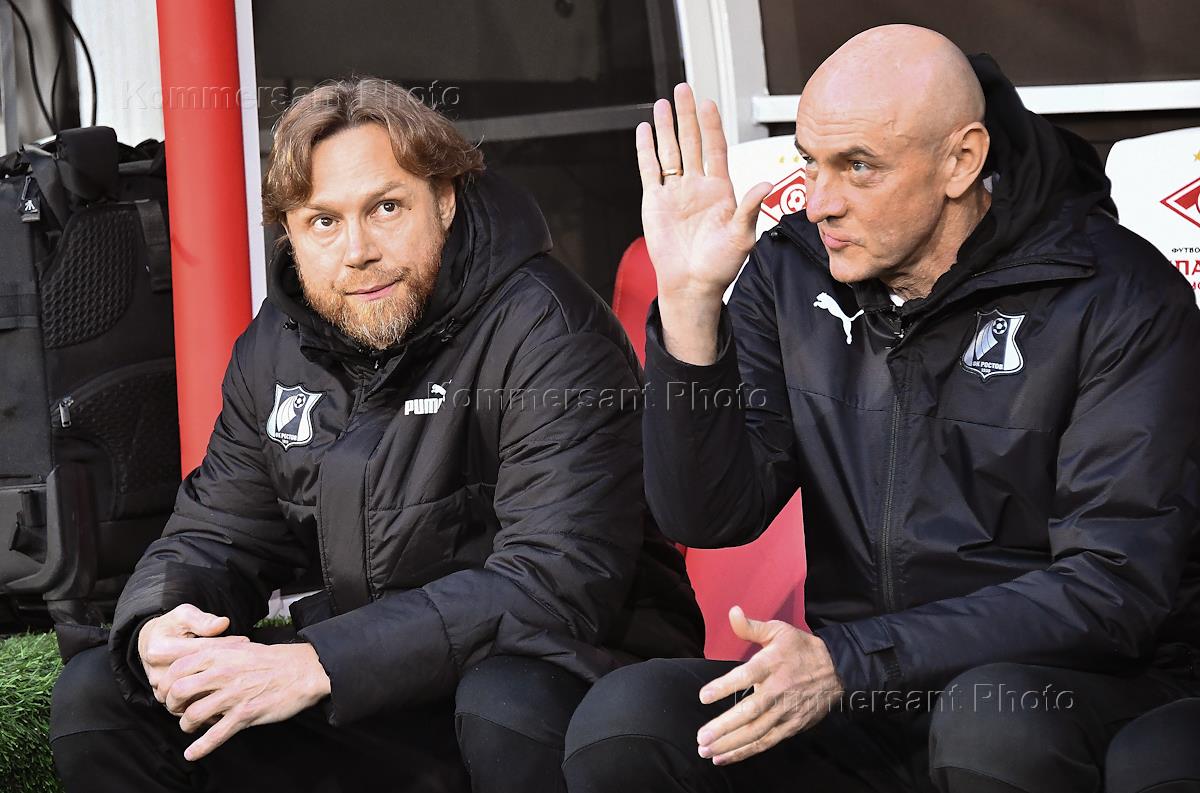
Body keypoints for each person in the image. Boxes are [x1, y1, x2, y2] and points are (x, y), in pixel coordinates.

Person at [563, 24, 1200, 793]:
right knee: (630, 719)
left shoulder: (1116, 293)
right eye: (810, 161)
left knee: (989, 725)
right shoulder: (793, 271)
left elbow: (1111, 589)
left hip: (1060, 690)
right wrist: (692, 304)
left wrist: (854, 659)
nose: (819, 202)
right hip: (860, 689)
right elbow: (706, 514)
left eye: (858, 167)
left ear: (960, 161)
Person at [49, 77, 703, 793]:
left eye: (385, 208)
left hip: (567, 688)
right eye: (323, 222)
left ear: (444, 201)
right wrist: (163, 621)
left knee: (503, 701)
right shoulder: (276, 346)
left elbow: (555, 582)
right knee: (102, 699)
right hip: (380, 686)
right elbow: (217, 533)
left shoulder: (548, 327)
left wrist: (322, 661)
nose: (356, 250)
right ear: (290, 233)